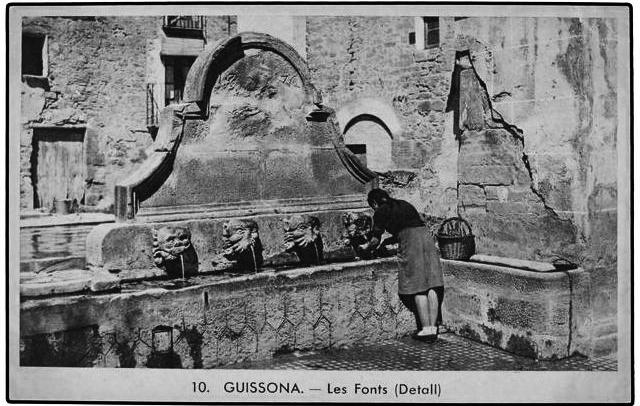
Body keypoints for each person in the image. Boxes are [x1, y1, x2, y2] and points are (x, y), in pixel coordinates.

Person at [362, 188, 445, 342]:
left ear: (374, 203)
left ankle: (426, 329)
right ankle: (433, 328)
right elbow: (409, 226)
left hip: (411, 241)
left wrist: (365, 249)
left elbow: (374, 240)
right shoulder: (403, 204)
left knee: (418, 284)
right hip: (426, 237)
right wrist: (389, 241)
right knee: (432, 283)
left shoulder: (381, 211)